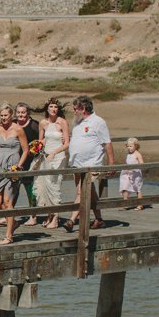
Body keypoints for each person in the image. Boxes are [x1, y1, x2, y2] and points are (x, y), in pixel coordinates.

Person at [65, 95, 114, 231]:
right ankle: (99, 219)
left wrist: (111, 163)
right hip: (77, 164)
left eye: (76, 109)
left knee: (82, 193)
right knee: (89, 192)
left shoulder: (98, 122)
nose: (74, 111)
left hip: (91, 164)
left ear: (84, 108)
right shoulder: (77, 122)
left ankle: (71, 220)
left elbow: (107, 143)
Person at [0, 103, 29, 245]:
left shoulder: (18, 129)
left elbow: (26, 150)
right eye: (1, 115)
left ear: (11, 115)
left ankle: (9, 236)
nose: (3, 118)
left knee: (8, 202)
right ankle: (12, 221)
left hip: (12, 167)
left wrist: (18, 166)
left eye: (6, 115)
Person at [36, 98, 71, 229]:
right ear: (47, 108)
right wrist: (36, 146)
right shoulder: (43, 123)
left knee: (55, 185)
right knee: (45, 185)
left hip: (59, 156)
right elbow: (42, 141)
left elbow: (67, 143)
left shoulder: (62, 122)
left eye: (55, 107)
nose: (53, 109)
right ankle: (50, 214)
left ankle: (56, 218)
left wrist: (55, 152)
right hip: (46, 157)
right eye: (51, 107)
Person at [14, 102, 41, 220]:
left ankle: (33, 215)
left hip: (30, 160)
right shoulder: (13, 124)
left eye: (23, 112)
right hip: (15, 160)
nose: (21, 115)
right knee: (13, 188)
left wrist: (36, 147)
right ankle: (9, 215)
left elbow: (42, 140)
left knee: (30, 188)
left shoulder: (34, 125)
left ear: (28, 113)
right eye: (19, 112)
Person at [121, 137, 146, 209]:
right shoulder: (128, 154)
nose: (129, 148)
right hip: (127, 173)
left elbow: (141, 164)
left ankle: (140, 204)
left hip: (136, 173)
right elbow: (127, 162)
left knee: (137, 188)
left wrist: (135, 168)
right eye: (128, 146)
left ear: (136, 146)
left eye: (131, 146)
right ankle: (125, 203)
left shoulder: (137, 154)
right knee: (124, 187)